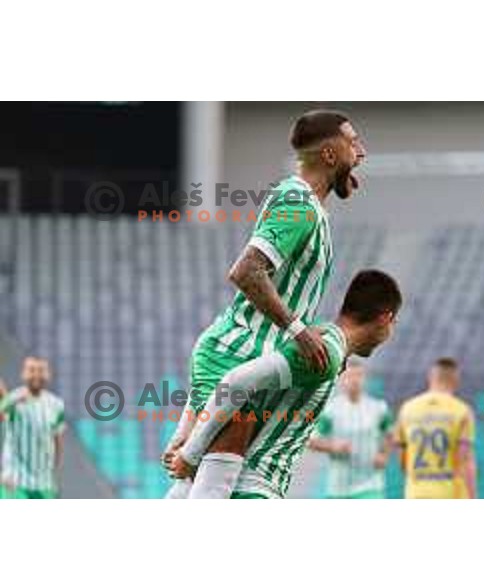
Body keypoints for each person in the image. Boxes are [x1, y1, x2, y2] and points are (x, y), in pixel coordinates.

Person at [163, 109, 366, 498]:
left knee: (195, 483)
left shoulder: (313, 210)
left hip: (246, 356)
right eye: (353, 142)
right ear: (328, 154)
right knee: (211, 486)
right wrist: (299, 331)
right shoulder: (297, 202)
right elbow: (246, 271)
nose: (362, 151)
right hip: (235, 354)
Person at [168, 270, 402, 499]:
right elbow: (236, 381)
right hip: (254, 486)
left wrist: (186, 431)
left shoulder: (323, 343)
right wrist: (190, 454)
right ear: (385, 318)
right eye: (395, 322)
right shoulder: (325, 352)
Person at [308, 361, 393, 499]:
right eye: (350, 376)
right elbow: (311, 441)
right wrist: (333, 446)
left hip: (371, 486)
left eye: (359, 375)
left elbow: (390, 434)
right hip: (339, 489)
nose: (355, 380)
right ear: (342, 380)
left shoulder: (379, 408)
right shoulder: (331, 410)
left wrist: (384, 454)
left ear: (365, 379)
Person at [395, 358, 476, 499]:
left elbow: (402, 459)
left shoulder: (407, 409)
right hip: (450, 493)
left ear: (430, 377)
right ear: (456, 380)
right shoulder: (462, 411)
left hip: (416, 492)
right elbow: (465, 460)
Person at [0, 357, 65, 499]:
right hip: (16, 483)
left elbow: (58, 441)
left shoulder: (56, 405)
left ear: (48, 374)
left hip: (44, 484)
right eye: (31, 370)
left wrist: (54, 475)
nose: (36, 375)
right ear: (23, 374)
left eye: (41, 370)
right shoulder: (12, 400)